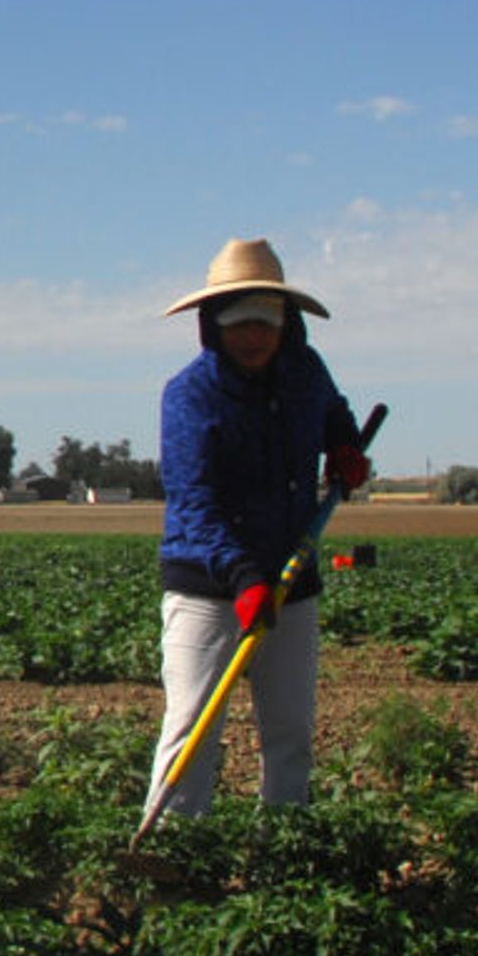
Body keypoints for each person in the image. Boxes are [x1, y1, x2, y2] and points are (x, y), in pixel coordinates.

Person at [143, 238, 370, 820]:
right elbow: (195, 501)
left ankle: (283, 851)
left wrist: (343, 446)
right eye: (240, 323)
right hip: (209, 588)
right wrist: (243, 577)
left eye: (264, 323)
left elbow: (332, 411)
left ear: (285, 324)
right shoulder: (189, 395)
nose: (253, 337)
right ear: (214, 324)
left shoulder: (305, 371)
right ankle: (172, 849)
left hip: (293, 577)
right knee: (193, 723)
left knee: (291, 729)